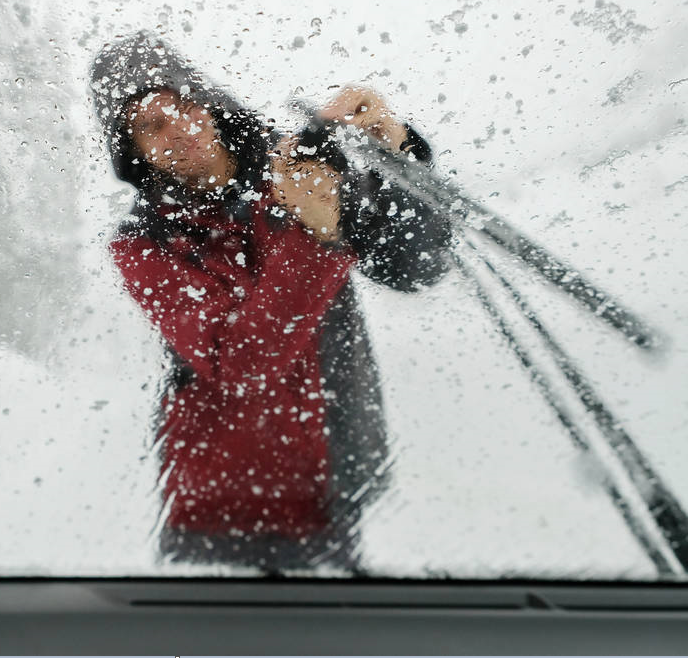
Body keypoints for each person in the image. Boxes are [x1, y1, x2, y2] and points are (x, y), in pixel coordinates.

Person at [90, 32, 451, 575]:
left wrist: (395, 152)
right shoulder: (145, 245)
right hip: (224, 500)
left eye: (183, 104)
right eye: (150, 126)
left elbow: (413, 266)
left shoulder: (300, 168)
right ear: (134, 152)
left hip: (335, 471)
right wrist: (317, 235)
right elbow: (241, 364)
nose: (179, 128)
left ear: (208, 103)